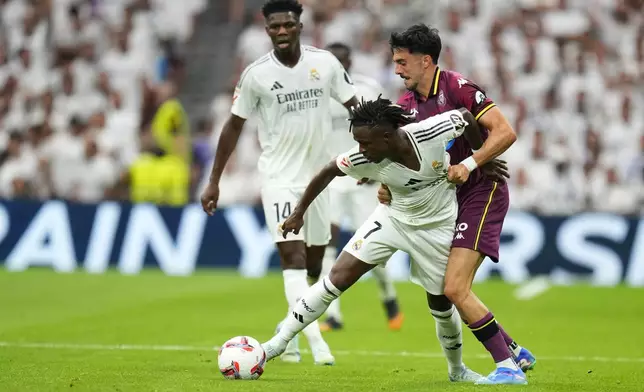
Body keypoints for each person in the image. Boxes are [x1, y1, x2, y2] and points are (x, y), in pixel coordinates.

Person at [263, 98, 488, 384]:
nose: (360, 150)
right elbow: (328, 170)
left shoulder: (431, 132)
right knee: (336, 277)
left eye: (365, 143)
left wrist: (477, 161)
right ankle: (277, 344)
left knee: (441, 307)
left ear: (387, 136)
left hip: (436, 227)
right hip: (391, 219)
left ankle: (457, 371)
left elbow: (467, 116)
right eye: (357, 142)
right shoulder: (363, 158)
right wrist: (298, 214)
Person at [199, 0, 359, 366]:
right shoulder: (256, 75)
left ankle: (290, 324)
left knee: (317, 266)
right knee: (293, 258)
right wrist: (213, 181)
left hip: (319, 180)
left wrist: (375, 148)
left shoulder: (325, 64)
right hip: (279, 178)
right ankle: (317, 345)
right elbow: (233, 126)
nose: (282, 32)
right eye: (275, 27)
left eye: (288, 25)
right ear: (266, 29)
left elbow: (356, 107)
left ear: (300, 25)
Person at [379, 23, 535, 384]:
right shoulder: (404, 106)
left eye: (403, 62)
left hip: (482, 192)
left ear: (426, 61)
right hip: (445, 201)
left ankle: (508, 369)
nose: (397, 69)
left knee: (453, 288)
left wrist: (470, 162)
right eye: (395, 61)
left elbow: (505, 131)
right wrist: (388, 185)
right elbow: (406, 161)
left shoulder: (456, 87)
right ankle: (516, 353)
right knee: (447, 286)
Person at [321, 42, 404, 332]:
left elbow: (389, 131)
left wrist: (378, 169)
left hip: (363, 180)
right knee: (326, 245)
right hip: (333, 180)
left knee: (371, 247)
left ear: (350, 61)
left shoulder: (367, 90)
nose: (338, 66)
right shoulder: (317, 93)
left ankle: (389, 297)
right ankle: (333, 315)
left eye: (342, 61)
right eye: (333, 62)